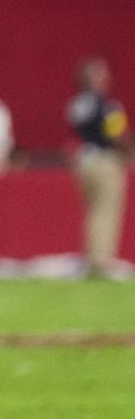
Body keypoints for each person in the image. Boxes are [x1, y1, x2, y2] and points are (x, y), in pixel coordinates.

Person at [67, 58, 128, 278]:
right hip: (104, 159)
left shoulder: (77, 104)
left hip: (84, 160)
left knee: (93, 211)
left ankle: (92, 257)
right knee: (106, 209)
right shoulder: (106, 104)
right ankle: (102, 262)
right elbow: (117, 133)